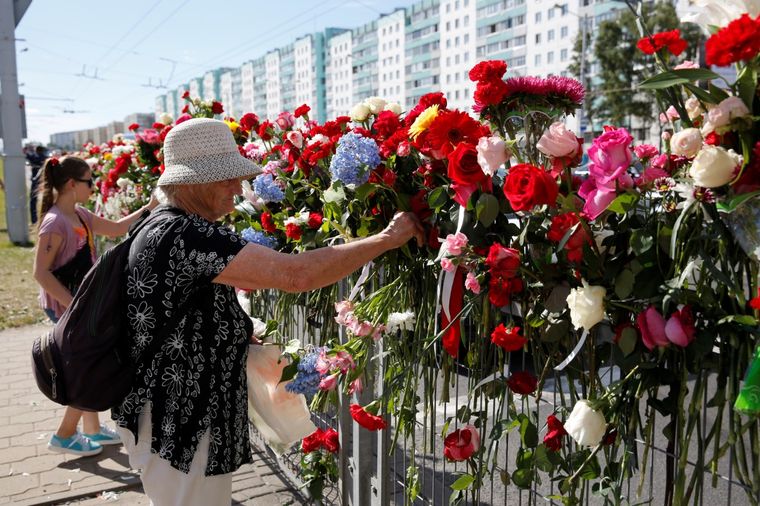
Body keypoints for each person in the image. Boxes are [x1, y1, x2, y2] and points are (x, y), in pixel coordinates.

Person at [110, 118, 424, 505]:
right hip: (180, 420)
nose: (238, 188)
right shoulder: (188, 234)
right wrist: (387, 239)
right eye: (227, 178)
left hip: (172, 413)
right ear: (194, 183)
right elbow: (295, 275)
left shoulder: (165, 224)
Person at [33, 155, 158, 456]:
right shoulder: (54, 223)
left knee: (87, 363)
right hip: (66, 307)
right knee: (86, 367)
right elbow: (40, 273)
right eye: (90, 182)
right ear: (71, 184)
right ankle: (64, 436)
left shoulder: (80, 215)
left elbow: (116, 229)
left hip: (79, 306)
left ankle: (91, 429)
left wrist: (150, 207)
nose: (93, 187)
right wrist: (75, 306)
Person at [26, 145, 47, 225]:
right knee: (45, 200)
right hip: (44, 182)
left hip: (36, 182)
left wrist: (26, 150)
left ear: (37, 150)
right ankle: (44, 219)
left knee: (33, 201)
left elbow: (27, 156)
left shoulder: (34, 157)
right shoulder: (45, 157)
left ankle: (34, 220)